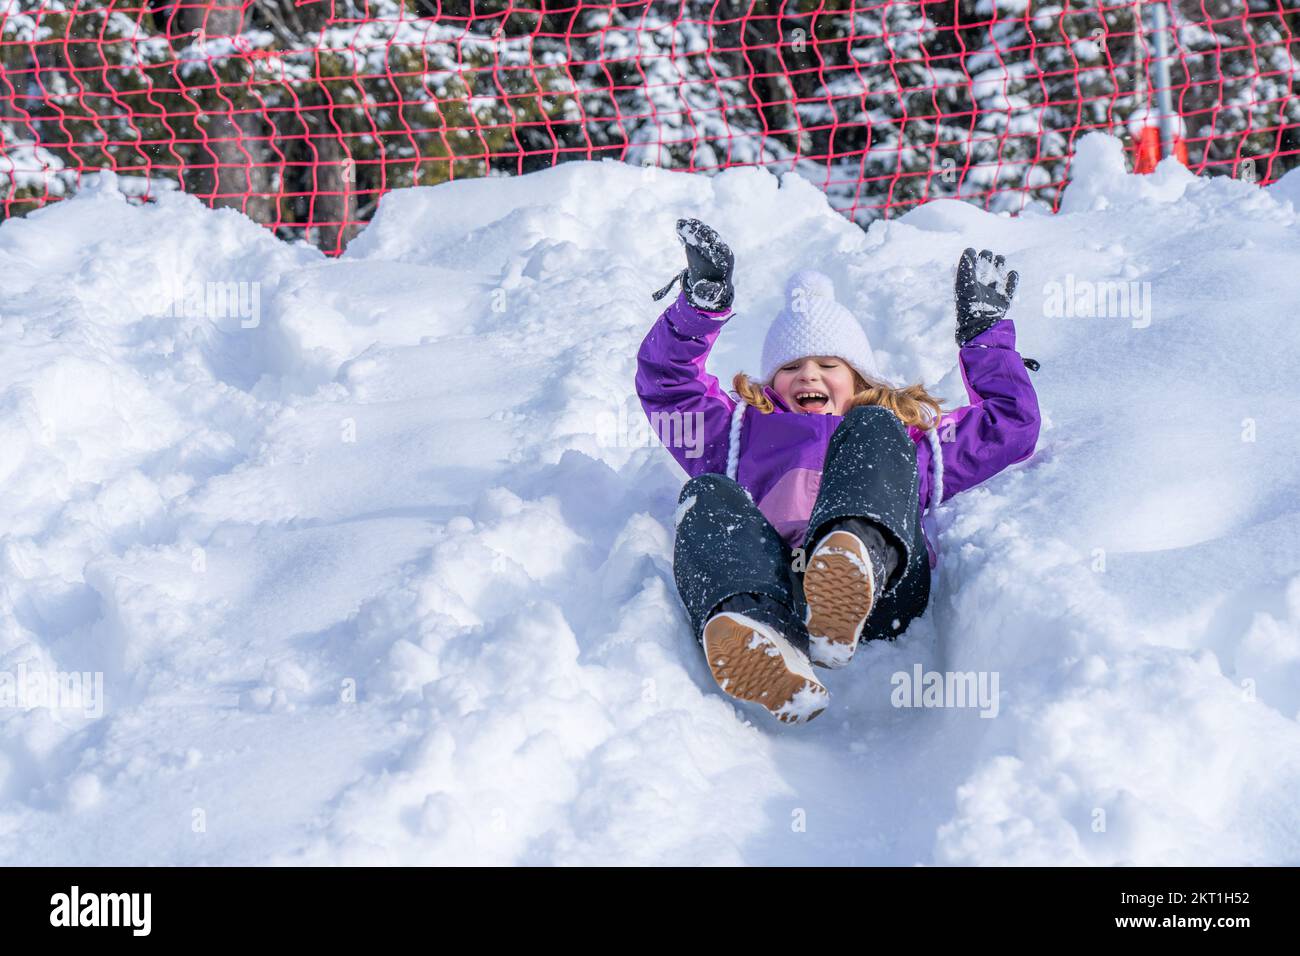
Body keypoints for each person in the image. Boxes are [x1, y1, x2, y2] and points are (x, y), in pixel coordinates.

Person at [636, 218, 1041, 723]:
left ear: (859, 377)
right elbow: (667, 386)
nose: (808, 374)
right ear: (772, 384)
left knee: (873, 428)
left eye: (829, 364)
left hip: (888, 593)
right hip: (785, 586)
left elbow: (1010, 424)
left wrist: (985, 339)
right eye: (789, 368)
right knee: (706, 493)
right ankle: (760, 634)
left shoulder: (902, 438)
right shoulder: (741, 435)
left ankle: (854, 560)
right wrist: (702, 306)